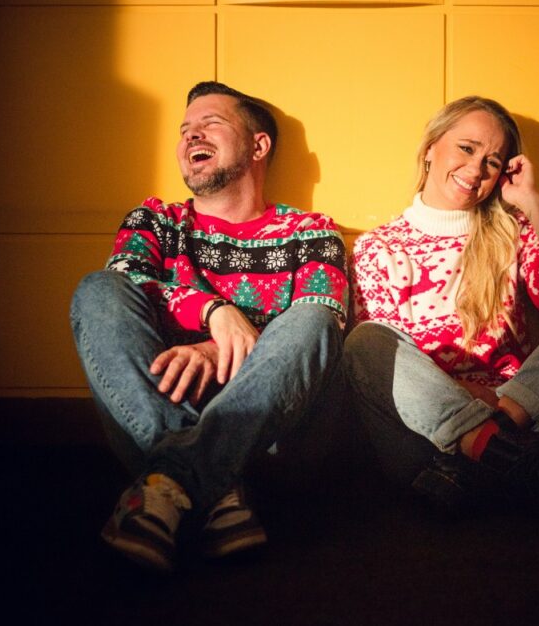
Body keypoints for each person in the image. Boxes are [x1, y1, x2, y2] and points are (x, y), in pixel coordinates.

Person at [70, 81, 349, 572]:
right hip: (161, 407)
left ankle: (167, 482)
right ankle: (214, 487)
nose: (191, 136)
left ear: (258, 146)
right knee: (98, 289)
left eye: (210, 124)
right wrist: (213, 312)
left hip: (272, 440)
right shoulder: (155, 220)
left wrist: (213, 352)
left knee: (314, 319)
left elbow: (319, 320)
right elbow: (126, 280)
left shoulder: (309, 231)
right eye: (185, 130)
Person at [345, 96, 539, 521]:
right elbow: (387, 371)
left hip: (522, 424)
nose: (476, 169)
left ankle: (498, 451)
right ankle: (520, 468)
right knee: (365, 343)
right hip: (427, 448)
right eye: (466, 148)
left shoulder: (512, 233)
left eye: (492, 162)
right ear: (430, 148)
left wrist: (531, 201)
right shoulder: (378, 248)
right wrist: (473, 403)